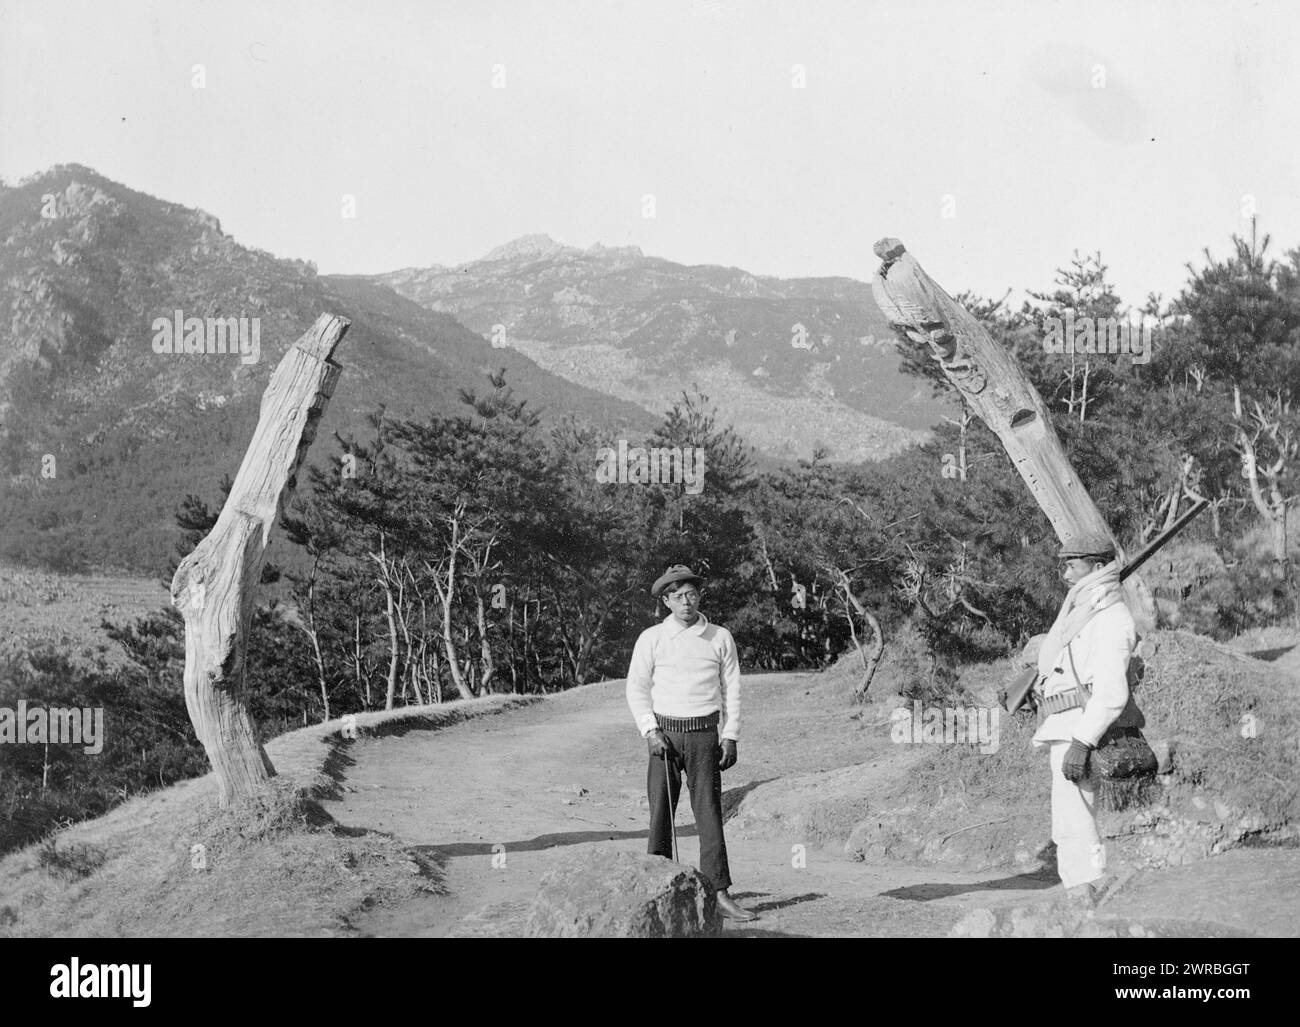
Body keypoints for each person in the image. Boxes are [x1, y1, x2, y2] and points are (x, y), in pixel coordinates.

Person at [625, 564, 756, 922]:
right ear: (666, 600)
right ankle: (655, 886)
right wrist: (650, 731)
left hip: (704, 736)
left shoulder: (719, 636)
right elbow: (636, 688)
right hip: (664, 738)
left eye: (692, 594)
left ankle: (719, 892)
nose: (686, 601)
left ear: (700, 597)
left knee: (709, 812)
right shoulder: (651, 639)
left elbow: (734, 689)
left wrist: (730, 735)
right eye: (678, 596)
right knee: (659, 814)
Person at [1029, 532, 1136, 896]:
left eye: (1073, 565)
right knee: (1069, 822)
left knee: (1077, 822)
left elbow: (1110, 693)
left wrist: (1082, 741)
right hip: (1064, 726)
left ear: (1099, 567)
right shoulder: (1084, 614)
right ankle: (1085, 891)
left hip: (1081, 731)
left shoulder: (1112, 618)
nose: (1066, 575)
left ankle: (1089, 892)